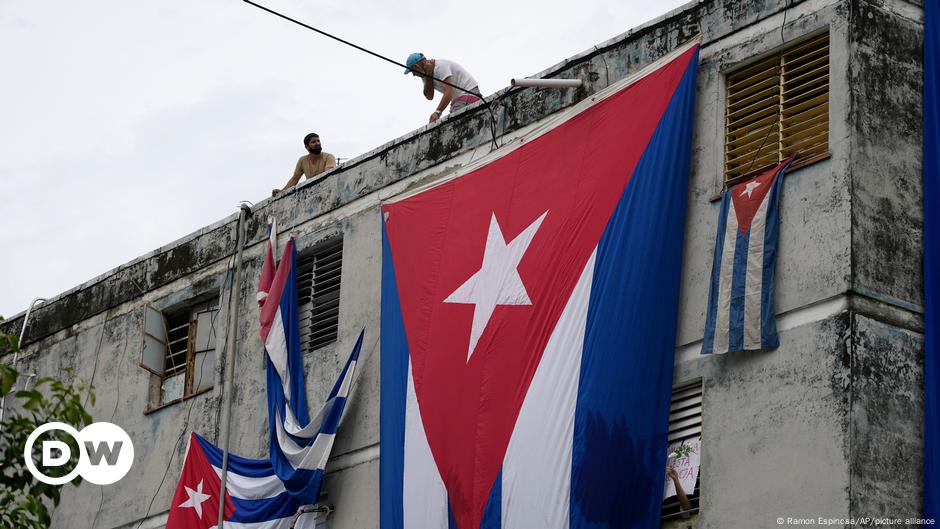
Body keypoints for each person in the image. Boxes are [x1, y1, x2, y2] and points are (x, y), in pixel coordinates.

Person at [404, 53, 481, 123]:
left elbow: (448, 92)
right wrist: (429, 74)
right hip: (460, 98)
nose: (413, 75)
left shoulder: (440, 66)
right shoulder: (426, 75)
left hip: (469, 93)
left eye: (412, 71)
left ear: (416, 67)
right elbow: (429, 96)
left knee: (454, 123)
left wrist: (437, 112)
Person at [272, 133, 337, 196]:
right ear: (307, 147)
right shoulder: (302, 160)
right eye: (313, 142)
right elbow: (295, 179)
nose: (317, 143)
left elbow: (329, 174)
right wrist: (282, 192)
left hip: (327, 190)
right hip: (312, 193)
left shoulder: (329, 157)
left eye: (318, 141)